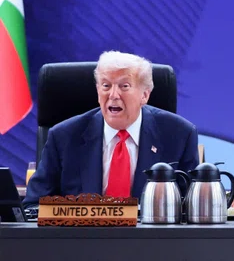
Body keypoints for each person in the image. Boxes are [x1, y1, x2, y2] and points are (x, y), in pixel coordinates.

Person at [24, 51, 199, 207]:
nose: (113, 95)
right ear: (97, 90)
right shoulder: (63, 137)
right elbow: (33, 206)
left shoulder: (179, 135)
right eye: (106, 86)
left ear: (144, 95)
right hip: (84, 234)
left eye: (124, 86)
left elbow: (192, 210)